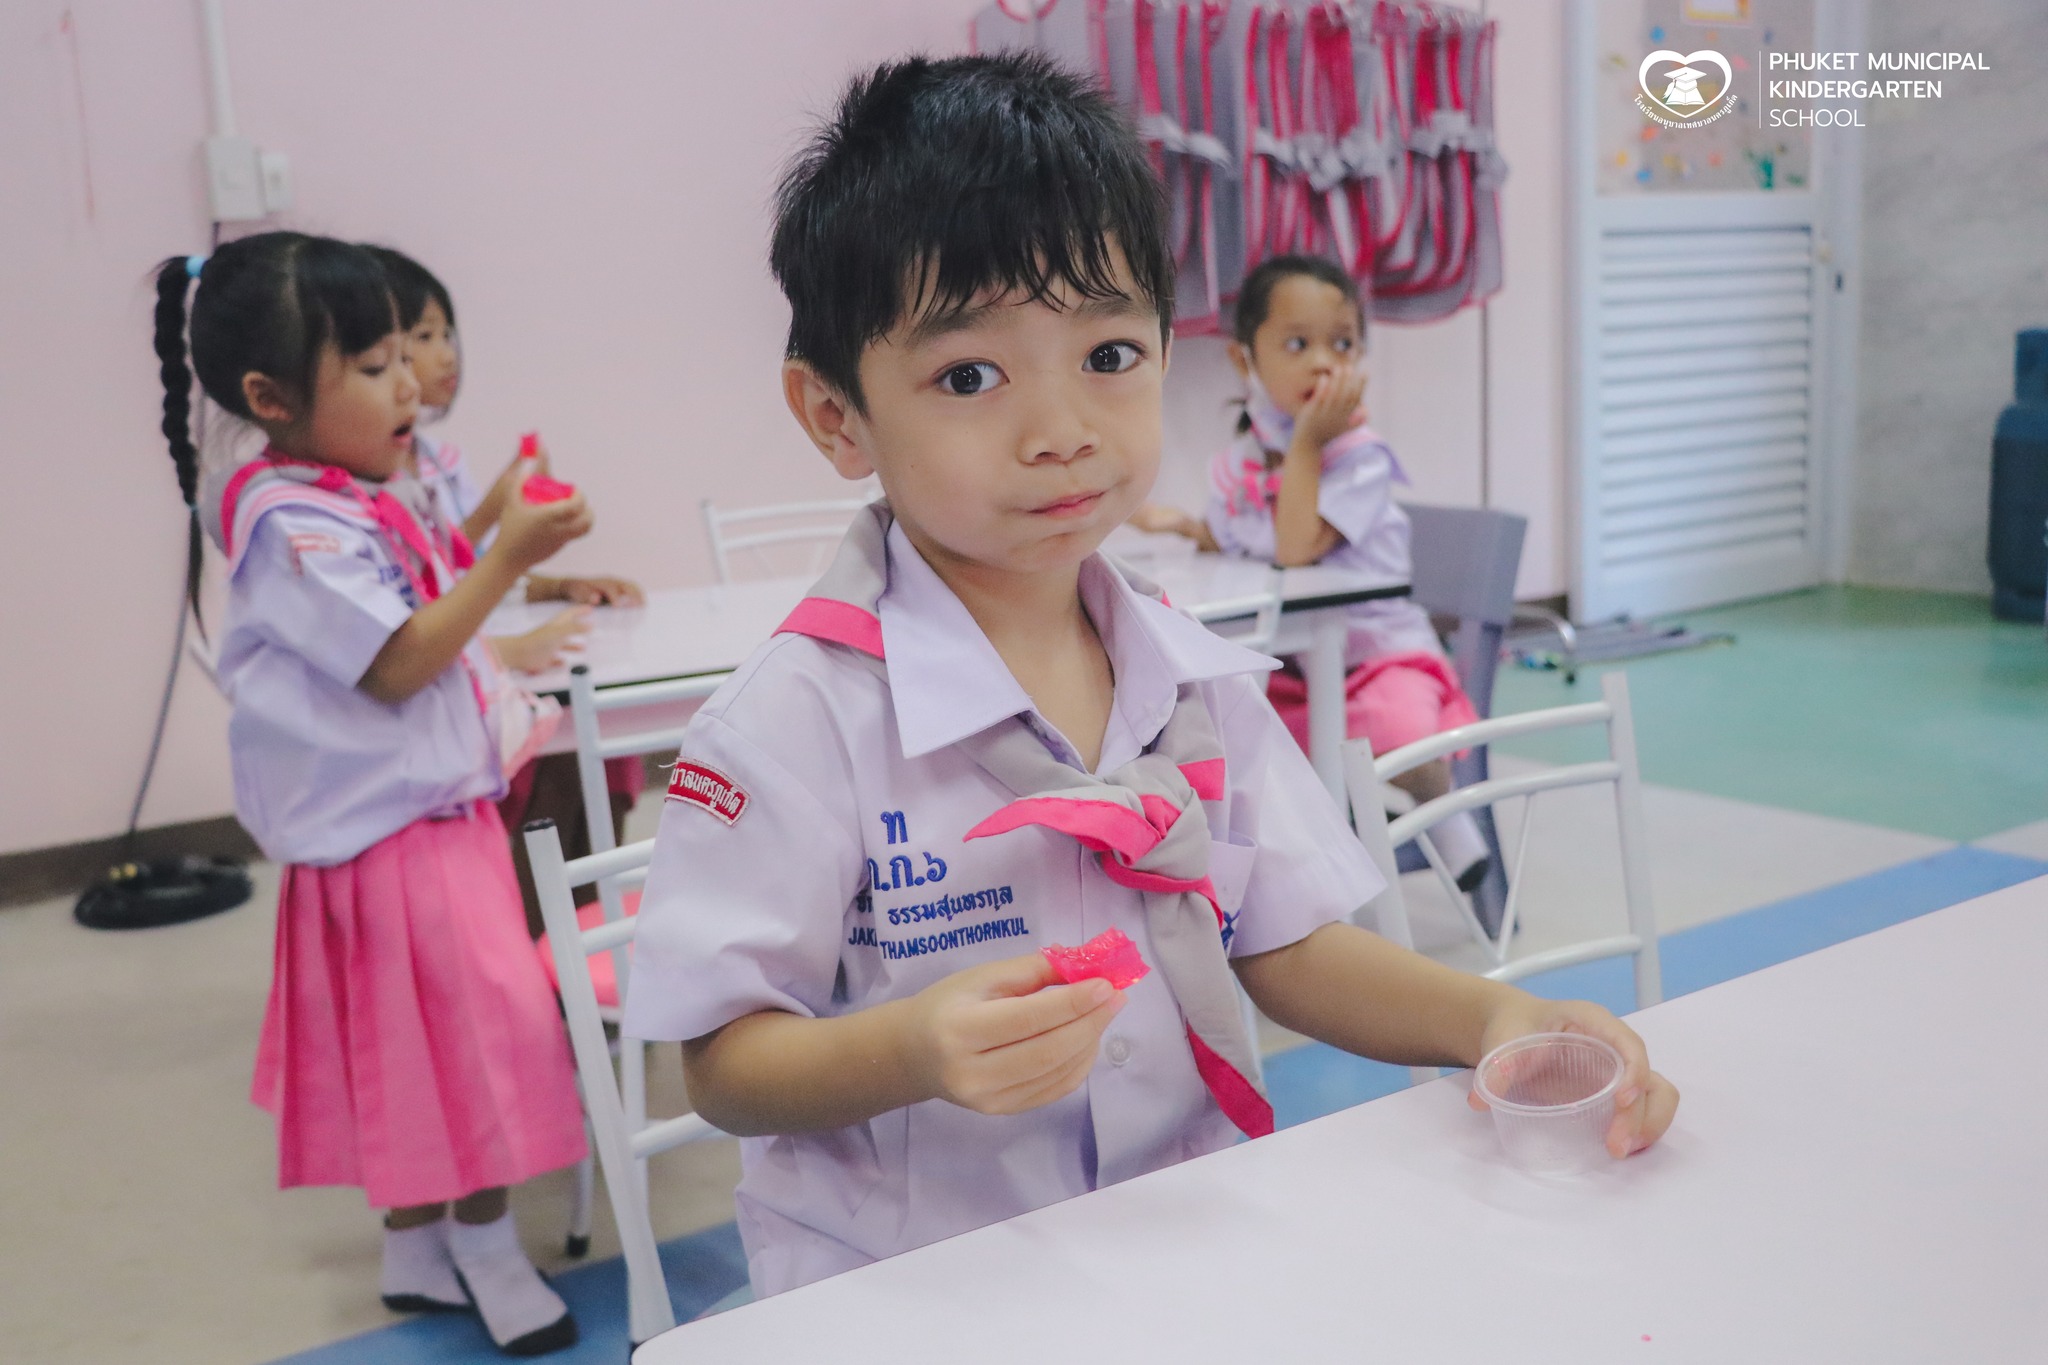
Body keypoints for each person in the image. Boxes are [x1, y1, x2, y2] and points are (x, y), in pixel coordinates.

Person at [620, 54, 1679, 1300]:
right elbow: (722, 1064)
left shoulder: (1188, 670)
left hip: (1176, 1239)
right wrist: (908, 1049)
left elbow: (1285, 945)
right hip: (908, 1286)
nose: (1060, 430)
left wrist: (1487, 1019)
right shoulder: (793, 723)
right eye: (968, 376)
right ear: (836, 415)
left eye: (1109, 354)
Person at [154, 231, 589, 1355]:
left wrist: (498, 547)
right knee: (478, 1045)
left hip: (418, 822)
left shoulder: (346, 491)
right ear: (272, 398)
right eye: (375, 363)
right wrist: (509, 556)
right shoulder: (291, 523)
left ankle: (417, 1253)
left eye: (408, 355)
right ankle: (486, 1250)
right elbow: (398, 660)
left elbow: (430, 600)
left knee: (418, 1052)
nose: (409, 385)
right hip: (395, 838)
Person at [1131, 253, 1492, 887]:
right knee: (1230, 728)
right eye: (1298, 344)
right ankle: (1291, 869)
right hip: (1302, 669)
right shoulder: (1242, 462)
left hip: (1384, 657)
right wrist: (1189, 527)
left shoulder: (1358, 458)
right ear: (1244, 359)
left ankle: (1442, 813)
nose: (1324, 362)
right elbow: (1250, 543)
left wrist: (1307, 443)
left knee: (1398, 724)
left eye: (1343, 344)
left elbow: (1296, 548)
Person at [364, 245, 646, 933]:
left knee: (600, 757)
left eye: (444, 335)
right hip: (444, 718)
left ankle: (583, 935)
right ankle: (544, 937)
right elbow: (429, 590)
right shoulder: (358, 489)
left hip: (473, 674)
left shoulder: (435, 460)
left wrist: (559, 582)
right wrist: (499, 514)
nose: (442, 357)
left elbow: (470, 569)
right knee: (562, 748)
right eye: (416, 340)